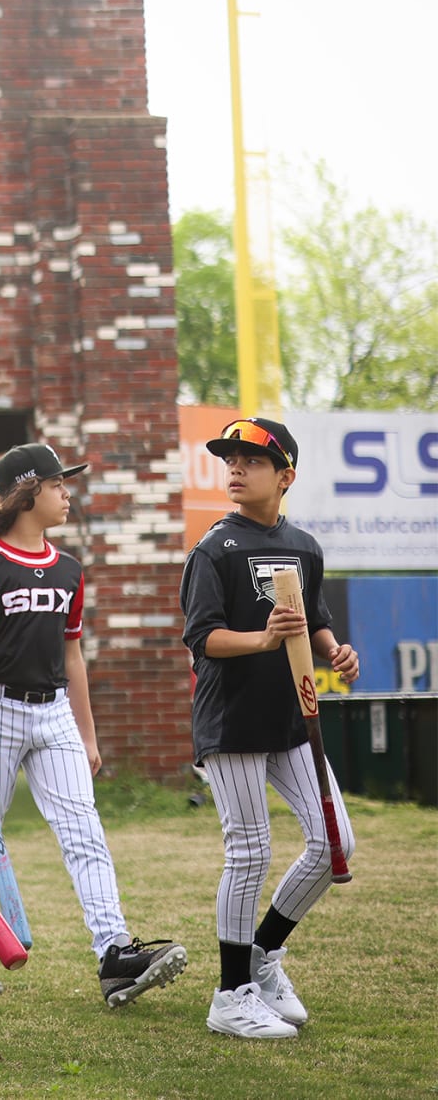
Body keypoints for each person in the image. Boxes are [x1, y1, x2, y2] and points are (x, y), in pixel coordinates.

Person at [0, 443, 187, 1005]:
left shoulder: (69, 569)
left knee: (84, 831)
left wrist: (87, 733)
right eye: (56, 484)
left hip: (53, 714)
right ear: (27, 494)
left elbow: (73, 658)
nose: (66, 493)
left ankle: (115, 953)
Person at [180, 417, 359, 1039]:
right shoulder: (214, 549)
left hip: (292, 720)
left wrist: (335, 649)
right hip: (231, 723)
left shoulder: (304, 546)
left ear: (284, 476)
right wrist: (263, 638)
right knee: (250, 851)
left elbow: (316, 619)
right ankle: (230, 996)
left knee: (335, 844)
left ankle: (262, 956)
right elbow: (203, 640)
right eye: (229, 459)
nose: (235, 468)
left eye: (250, 461)